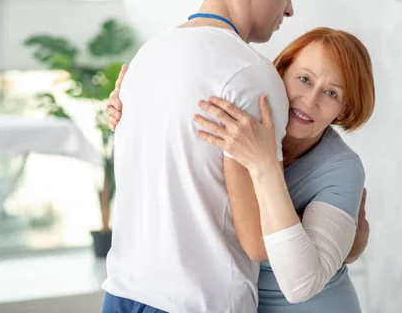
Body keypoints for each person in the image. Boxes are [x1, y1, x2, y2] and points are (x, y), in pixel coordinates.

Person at [101, 0, 300, 312]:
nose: (290, 8)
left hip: (122, 294)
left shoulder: (145, 58)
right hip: (199, 303)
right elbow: (262, 238)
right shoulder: (253, 76)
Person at [107, 28, 375, 312]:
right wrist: (128, 106)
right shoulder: (240, 123)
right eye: (304, 79)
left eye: (331, 93)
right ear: (281, 73)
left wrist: (265, 165)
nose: (310, 100)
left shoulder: (343, 168)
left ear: (344, 109)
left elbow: (301, 284)